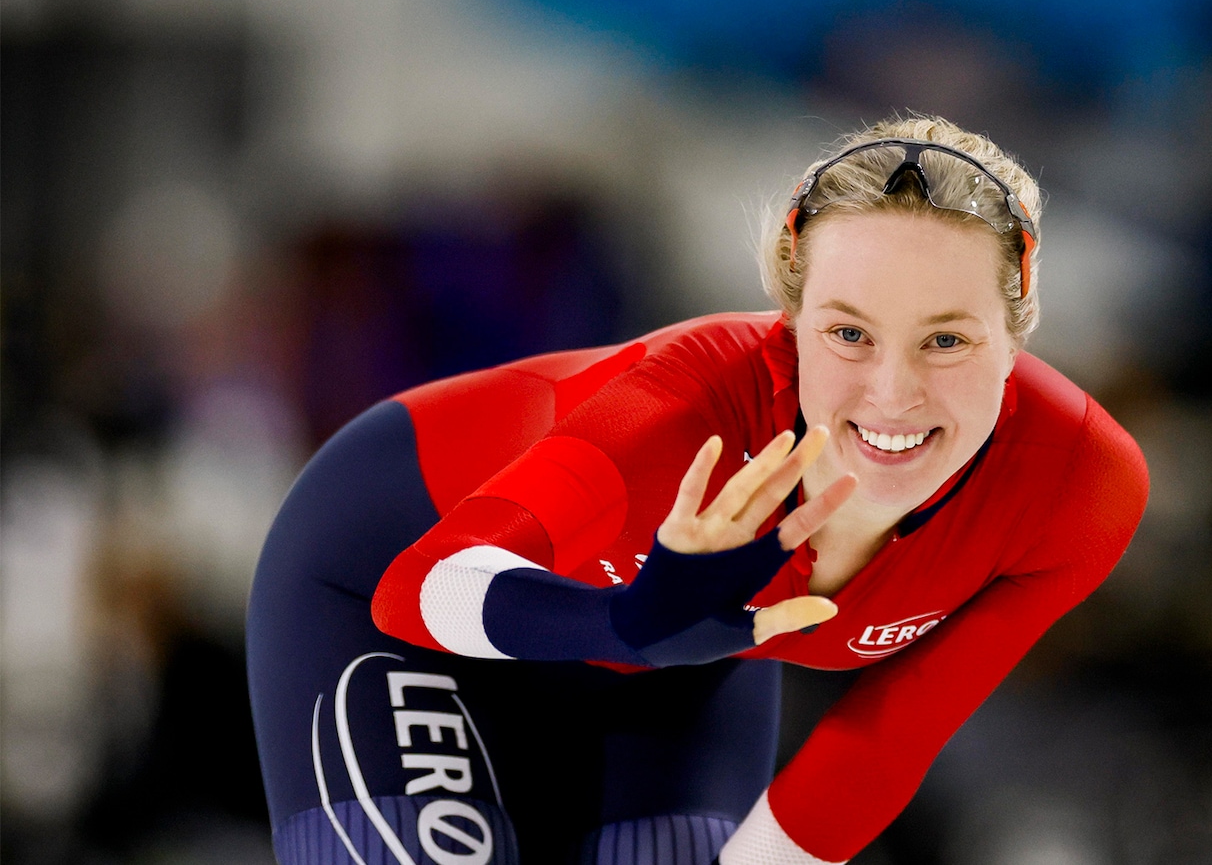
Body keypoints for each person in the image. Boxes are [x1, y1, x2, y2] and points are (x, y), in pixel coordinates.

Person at [247, 115, 1149, 865]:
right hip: (394, 578)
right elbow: (418, 589)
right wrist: (627, 623)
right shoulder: (687, 405)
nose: (893, 393)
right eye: (848, 335)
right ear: (791, 319)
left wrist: (644, 634)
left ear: (1018, 326)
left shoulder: (1078, 485)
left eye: (946, 341)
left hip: (672, 667)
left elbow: (881, 744)